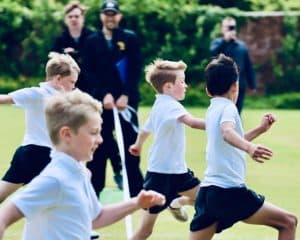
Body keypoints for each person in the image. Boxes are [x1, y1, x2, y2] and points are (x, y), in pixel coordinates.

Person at [0, 89, 165, 240]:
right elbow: (4, 215)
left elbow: (95, 217)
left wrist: (136, 203)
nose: (100, 140)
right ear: (67, 134)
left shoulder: (80, 172)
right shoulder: (55, 179)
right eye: (93, 132)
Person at [189, 54, 297, 240]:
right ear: (235, 86)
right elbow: (227, 133)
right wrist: (250, 148)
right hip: (230, 192)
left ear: (207, 90)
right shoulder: (229, 108)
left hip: (208, 194)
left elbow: (230, 141)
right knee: (288, 222)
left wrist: (260, 130)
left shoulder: (212, 109)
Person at [129, 59, 206, 239]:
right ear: (168, 87)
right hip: (159, 175)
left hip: (179, 172)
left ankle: (176, 202)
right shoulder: (171, 106)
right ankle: (175, 201)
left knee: (208, 198)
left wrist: (137, 145)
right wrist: (220, 124)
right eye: (182, 82)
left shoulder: (159, 103)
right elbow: (193, 123)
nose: (186, 86)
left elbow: (146, 130)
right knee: (145, 230)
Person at [82, 0, 143, 197]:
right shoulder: (92, 41)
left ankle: (135, 191)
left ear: (119, 16)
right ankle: (93, 190)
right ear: (101, 16)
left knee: (130, 145)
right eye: (107, 14)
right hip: (100, 105)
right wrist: (103, 94)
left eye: (113, 14)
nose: (110, 17)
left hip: (126, 104)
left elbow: (135, 69)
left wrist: (125, 94)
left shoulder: (129, 38)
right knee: (98, 146)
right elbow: (88, 72)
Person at [0, 53, 79, 204]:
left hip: (53, 157)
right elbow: (4, 99)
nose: (73, 86)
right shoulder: (37, 94)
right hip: (33, 154)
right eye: (71, 82)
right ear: (58, 79)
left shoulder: (69, 98)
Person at [210, 16, 256, 114]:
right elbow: (212, 54)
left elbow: (248, 67)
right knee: (221, 112)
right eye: (228, 27)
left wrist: (252, 85)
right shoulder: (217, 43)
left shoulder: (242, 46)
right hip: (221, 84)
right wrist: (225, 41)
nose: (230, 30)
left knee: (236, 113)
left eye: (232, 27)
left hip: (238, 85)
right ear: (223, 28)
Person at [51, 1, 93, 93]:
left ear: (83, 18)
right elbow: (52, 54)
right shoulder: (60, 38)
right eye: (70, 17)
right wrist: (63, 55)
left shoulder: (92, 37)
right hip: (67, 83)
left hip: (90, 84)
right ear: (66, 19)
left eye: (77, 16)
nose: (73, 19)